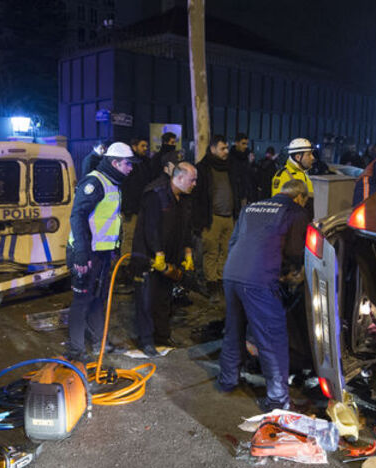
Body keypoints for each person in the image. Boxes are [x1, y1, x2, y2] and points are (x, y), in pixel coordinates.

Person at [217, 179, 311, 412]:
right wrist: (290, 273)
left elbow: (234, 242)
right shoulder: (295, 211)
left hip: (232, 274)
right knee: (272, 339)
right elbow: (295, 251)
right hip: (259, 279)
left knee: (234, 330)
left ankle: (227, 380)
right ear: (300, 197)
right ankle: (278, 400)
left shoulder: (251, 207)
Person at [66, 142, 133, 360]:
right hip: (86, 253)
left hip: (102, 253)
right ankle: (76, 350)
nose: (131, 168)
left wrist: (114, 248)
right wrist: (81, 253)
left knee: (98, 300)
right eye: (128, 163)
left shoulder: (113, 182)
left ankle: (99, 343)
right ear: (115, 163)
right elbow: (77, 216)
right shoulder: (95, 182)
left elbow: (109, 220)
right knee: (82, 301)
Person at [131, 162, 197, 356]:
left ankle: (162, 336)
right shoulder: (156, 195)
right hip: (149, 258)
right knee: (146, 300)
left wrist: (188, 253)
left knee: (163, 299)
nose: (195, 184)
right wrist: (158, 253)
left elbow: (186, 229)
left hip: (169, 259)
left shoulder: (183, 199)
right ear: (179, 177)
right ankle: (146, 340)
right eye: (192, 180)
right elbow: (150, 228)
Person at [193, 134, 244, 290]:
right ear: (213, 149)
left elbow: (237, 189)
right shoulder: (202, 168)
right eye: (222, 148)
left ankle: (221, 280)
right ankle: (211, 283)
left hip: (229, 217)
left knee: (226, 251)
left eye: (227, 148)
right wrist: (200, 220)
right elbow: (197, 197)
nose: (226, 151)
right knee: (211, 252)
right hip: (212, 218)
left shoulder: (230, 167)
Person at [120, 137, 152, 260]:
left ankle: (138, 263)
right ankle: (125, 264)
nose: (145, 149)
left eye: (146, 146)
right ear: (134, 147)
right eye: (142, 146)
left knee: (141, 237)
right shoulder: (128, 163)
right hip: (131, 208)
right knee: (129, 237)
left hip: (142, 207)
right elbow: (126, 187)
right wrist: (127, 208)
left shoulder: (145, 163)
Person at [228, 132, 255, 203]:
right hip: (232, 195)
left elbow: (249, 177)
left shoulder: (246, 158)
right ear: (236, 143)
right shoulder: (230, 159)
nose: (245, 146)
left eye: (247, 144)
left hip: (244, 195)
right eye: (243, 143)